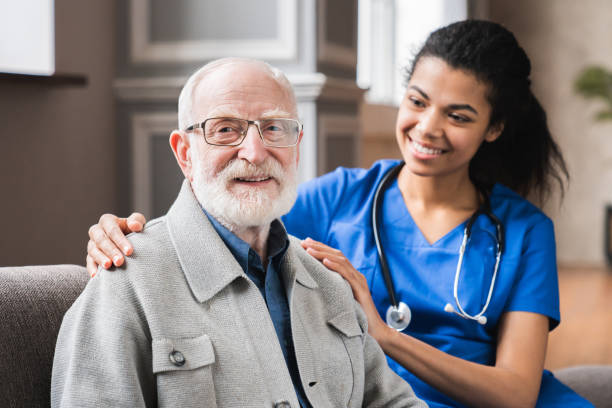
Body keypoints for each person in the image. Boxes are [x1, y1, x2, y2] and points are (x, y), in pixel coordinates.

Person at [85, 21, 593, 407]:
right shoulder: (339, 199)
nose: (427, 128)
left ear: (494, 128)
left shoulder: (524, 231)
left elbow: (515, 393)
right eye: (417, 101)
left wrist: (384, 335)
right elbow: (228, 219)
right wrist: (127, 240)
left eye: (458, 116)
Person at [52, 58, 426, 408]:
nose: (255, 152)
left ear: (296, 148)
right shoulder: (127, 283)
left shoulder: (328, 281)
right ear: (184, 153)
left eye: (274, 128)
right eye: (226, 130)